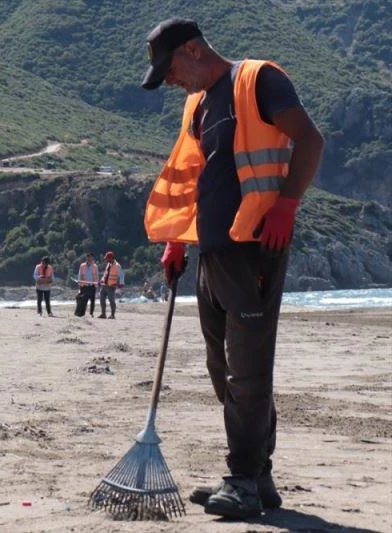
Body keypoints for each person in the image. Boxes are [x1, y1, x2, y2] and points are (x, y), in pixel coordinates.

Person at [141, 18, 324, 519]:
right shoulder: (198, 105)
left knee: (248, 369)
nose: (171, 80)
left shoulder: (258, 80)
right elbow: (196, 177)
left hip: (255, 249)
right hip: (212, 250)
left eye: (171, 68)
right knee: (221, 368)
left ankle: (242, 477)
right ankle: (257, 477)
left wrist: (287, 205)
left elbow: (310, 139)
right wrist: (177, 239)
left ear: (194, 50)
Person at [98, 251, 124, 319]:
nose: (106, 260)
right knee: (102, 299)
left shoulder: (117, 266)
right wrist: (101, 281)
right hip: (104, 285)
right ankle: (103, 314)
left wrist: (121, 284)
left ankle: (112, 315)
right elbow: (105, 274)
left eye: (107, 258)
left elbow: (121, 275)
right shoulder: (108, 264)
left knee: (111, 300)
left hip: (111, 286)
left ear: (111, 258)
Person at [76, 252, 98, 317]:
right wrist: (79, 283)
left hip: (92, 286)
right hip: (84, 286)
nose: (90, 258)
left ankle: (91, 313)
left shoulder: (95, 266)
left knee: (92, 300)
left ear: (92, 258)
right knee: (83, 300)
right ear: (87, 258)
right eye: (88, 257)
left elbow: (96, 276)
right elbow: (79, 275)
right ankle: (82, 313)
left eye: (91, 257)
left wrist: (96, 285)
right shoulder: (82, 265)